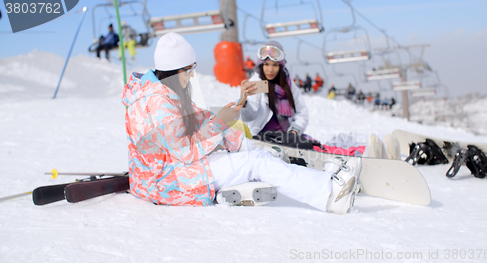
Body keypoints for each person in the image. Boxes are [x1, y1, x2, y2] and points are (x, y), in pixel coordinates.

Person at [121, 33, 359, 214]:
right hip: (167, 180)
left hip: (173, 170)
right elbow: (185, 150)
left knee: (257, 154)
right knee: (256, 162)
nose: (192, 75)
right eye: (188, 70)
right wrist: (223, 123)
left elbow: (200, 121)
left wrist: (237, 139)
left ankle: (314, 178)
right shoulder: (157, 102)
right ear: (173, 70)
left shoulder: (165, 91)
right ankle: (330, 195)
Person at [240, 41, 309, 137]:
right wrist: (244, 102)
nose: (270, 70)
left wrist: (294, 131)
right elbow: (249, 117)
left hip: (286, 137)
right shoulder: (256, 83)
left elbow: (302, 112)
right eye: (266, 64)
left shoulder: (288, 84)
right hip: (261, 138)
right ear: (261, 65)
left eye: (275, 65)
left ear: (280, 66)